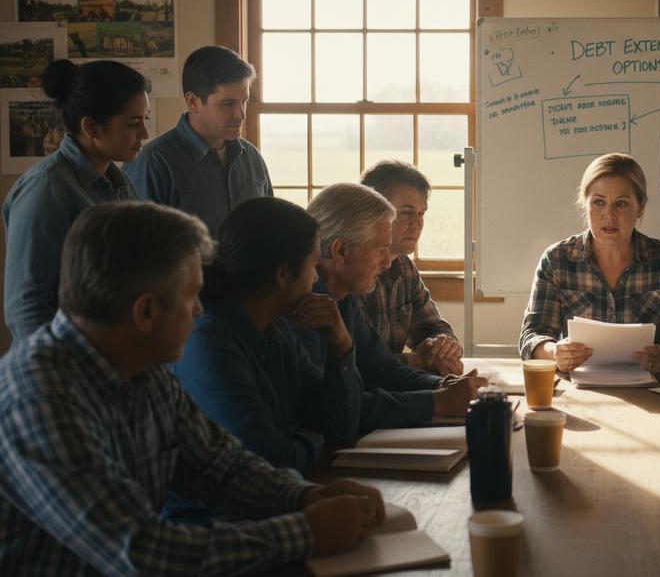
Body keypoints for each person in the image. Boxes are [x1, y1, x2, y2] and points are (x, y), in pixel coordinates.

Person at [0, 201, 384, 574]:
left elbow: (221, 465)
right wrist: (307, 532)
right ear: (146, 312)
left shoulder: (144, 372)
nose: (200, 310)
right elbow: (143, 554)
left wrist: (306, 495)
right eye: (190, 296)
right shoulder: (40, 398)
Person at [173, 198, 362, 475]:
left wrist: (341, 345)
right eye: (313, 265)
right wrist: (315, 439)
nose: (315, 279)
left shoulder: (277, 330)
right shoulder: (208, 344)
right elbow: (269, 459)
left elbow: (340, 427)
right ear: (283, 274)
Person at [302, 183, 486, 431]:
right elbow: (336, 412)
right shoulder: (306, 308)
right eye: (380, 249)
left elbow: (382, 368)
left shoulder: (343, 299)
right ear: (341, 250)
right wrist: (437, 402)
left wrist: (442, 386)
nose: (387, 263)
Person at [3, 59, 149, 342]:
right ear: (91, 127)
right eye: (133, 123)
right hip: (72, 361)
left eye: (145, 119)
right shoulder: (47, 189)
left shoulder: (119, 183)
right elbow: (26, 309)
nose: (144, 133)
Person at [520, 153, 660, 374]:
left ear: (640, 207)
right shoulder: (557, 260)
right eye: (599, 202)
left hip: (649, 384)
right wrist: (554, 353)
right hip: (579, 386)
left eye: (621, 204)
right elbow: (532, 335)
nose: (609, 215)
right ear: (584, 204)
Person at [125, 45, 272, 235]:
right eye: (228, 104)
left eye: (244, 101)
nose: (241, 114)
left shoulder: (251, 156)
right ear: (193, 101)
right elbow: (136, 242)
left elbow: (268, 226)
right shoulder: (152, 162)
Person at [360, 160, 463, 376]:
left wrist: (442, 346)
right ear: (372, 212)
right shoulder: (353, 268)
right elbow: (358, 362)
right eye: (406, 213)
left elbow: (434, 327)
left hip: (394, 385)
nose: (416, 224)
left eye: (421, 213)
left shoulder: (404, 267)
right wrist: (417, 361)